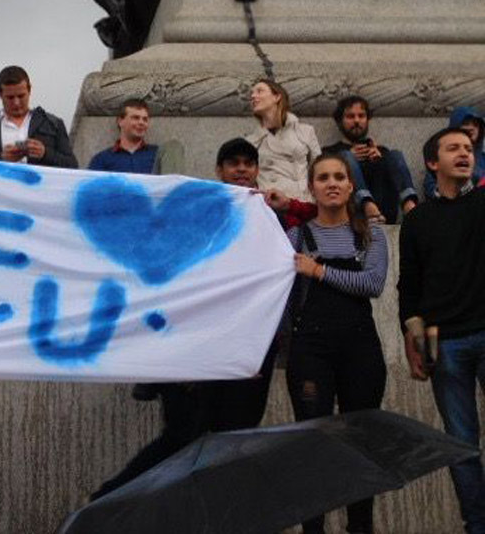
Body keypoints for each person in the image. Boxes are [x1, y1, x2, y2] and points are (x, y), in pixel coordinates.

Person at [90, 138, 289, 501]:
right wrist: (183, 355)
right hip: (198, 350)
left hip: (249, 354)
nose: (242, 169)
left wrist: (257, 347)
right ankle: (111, 500)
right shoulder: (197, 213)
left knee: (230, 442)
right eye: (233, 164)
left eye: (249, 163)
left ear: (258, 170)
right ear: (219, 170)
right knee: (184, 438)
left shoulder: (270, 216)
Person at [287, 153, 388, 534]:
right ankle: (313, 528)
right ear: (311, 187)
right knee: (312, 443)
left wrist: (318, 270)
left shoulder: (371, 234)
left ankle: (359, 526)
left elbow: (372, 284)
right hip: (310, 350)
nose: (332, 183)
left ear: (350, 186)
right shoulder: (295, 237)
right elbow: (281, 297)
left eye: (339, 177)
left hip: (360, 350)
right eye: (323, 177)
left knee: (360, 442)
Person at [399, 127, 485, 534]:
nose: (464, 154)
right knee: (461, 444)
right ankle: (477, 523)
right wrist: (412, 339)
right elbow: (409, 288)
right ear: (433, 163)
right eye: (454, 149)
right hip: (446, 344)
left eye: (468, 149)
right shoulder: (418, 221)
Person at [323, 95, 418, 223]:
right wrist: (345, 159)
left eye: (361, 116)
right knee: (344, 157)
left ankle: (410, 207)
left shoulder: (381, 151)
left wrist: (381, 160)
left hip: (385, 212)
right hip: (352, 215)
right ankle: (367, 204)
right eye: (350, 116)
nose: (356, 121)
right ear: (340, 121)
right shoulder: (329, 152)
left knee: (395, 155)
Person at [0, 65, 78, 168]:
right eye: (10, 97)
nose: (16, 102)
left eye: (21, 96)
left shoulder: (53, 124)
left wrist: (45, 153)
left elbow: (72, 166)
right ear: (0, 94)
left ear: (29, 90)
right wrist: (1, 159)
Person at [246, 79, 321, 202]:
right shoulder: (252, 141)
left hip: (302, 203)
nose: (253, 96)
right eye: (252, 93)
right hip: (270, 206)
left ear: (276, 97)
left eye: (259, 91)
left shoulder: (305, 132)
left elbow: (318, 168)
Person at [423, 106, 485, 199]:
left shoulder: (483, 158)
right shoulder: (441, 157)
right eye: (466, 123)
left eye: (476, 125)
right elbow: (431, 187)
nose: (471, 128)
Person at [88, 99, 157, 172]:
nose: (141, 122)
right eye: (135, 118)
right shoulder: (101, 160)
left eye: (145, 119)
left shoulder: (158, 154)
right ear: (120, 121)